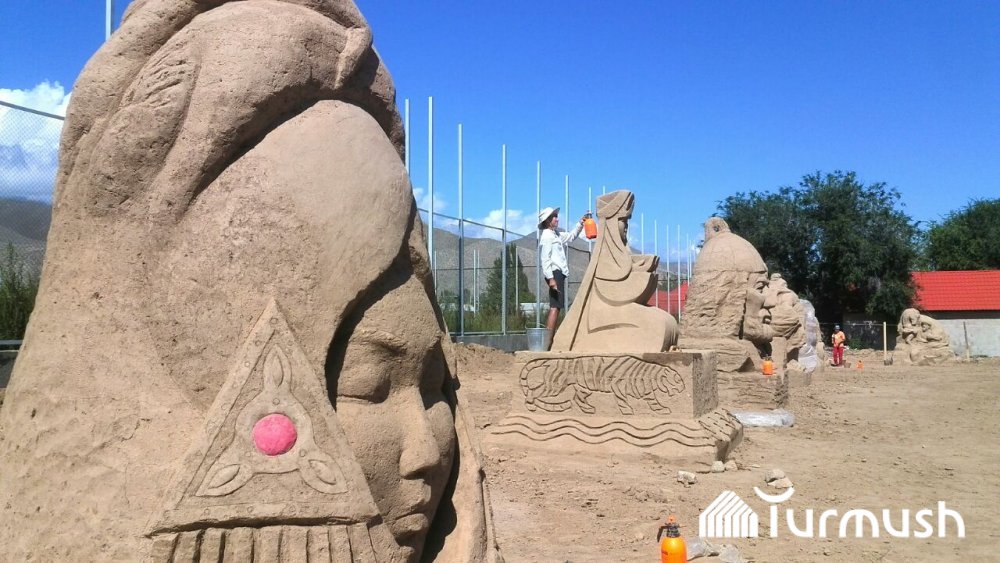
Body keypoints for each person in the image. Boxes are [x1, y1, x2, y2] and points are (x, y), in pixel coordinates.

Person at [538, 206, 586, 346]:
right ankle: (547, 342)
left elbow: (571, 236)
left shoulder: (556, 234)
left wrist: (580, 223)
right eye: (554, 217)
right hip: (555, 273)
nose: (557, 219)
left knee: (557, 306)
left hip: (559, 273)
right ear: (548, 221)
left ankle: (548, 341)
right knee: (555, 306)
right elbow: (545, 259)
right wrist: (551, 279)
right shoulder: (547, 236)